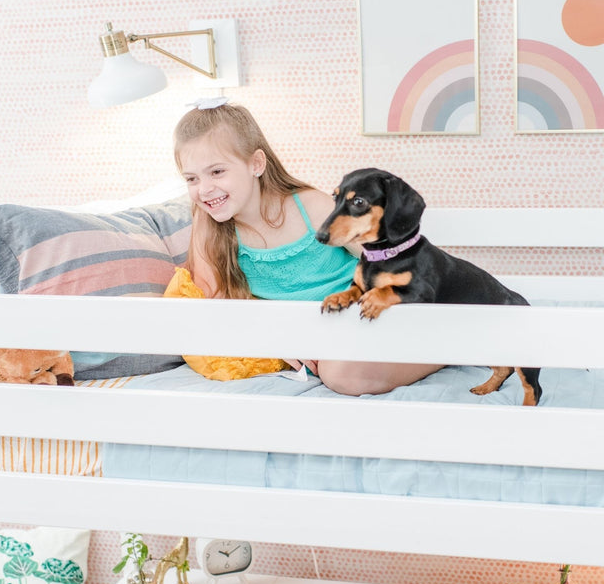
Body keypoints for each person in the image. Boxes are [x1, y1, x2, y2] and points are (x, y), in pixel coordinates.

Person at [173, 100, 441, 396]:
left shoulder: (310, 207)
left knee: (339, 374)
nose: (204, 188)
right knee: (335, 367)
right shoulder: (209, 227)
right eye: (191, 179)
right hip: (317, 335)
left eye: (217, 172)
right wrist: (274, 340)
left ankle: (450, 350)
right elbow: (218, 303)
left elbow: (386, 258)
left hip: (366, 312)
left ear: (256, 164)